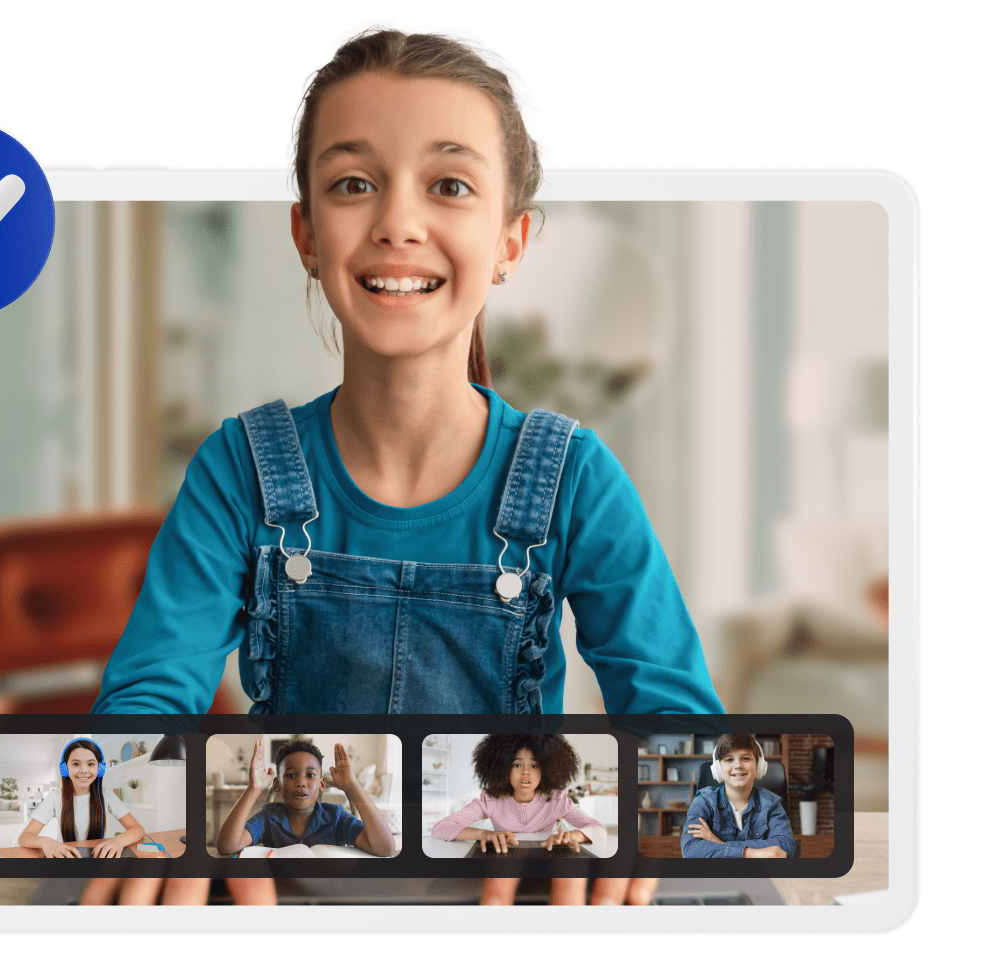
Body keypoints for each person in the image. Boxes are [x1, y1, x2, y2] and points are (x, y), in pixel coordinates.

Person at [92, 19, 723, 904]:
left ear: (509, 242)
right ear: (307, 235)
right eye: (354, 183)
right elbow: (143, 709)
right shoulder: (239, 469)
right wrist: (176, 806)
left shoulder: (576, 477)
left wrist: (607, 811)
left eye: (450, 185)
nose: (397, 221)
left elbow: (684, 733)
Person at [431, 735, 606, 905]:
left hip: (546, 861)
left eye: (534, 765)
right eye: (517, 764)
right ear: (504, 769)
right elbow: (441, 827)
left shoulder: (556, 799)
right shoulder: (491, 799)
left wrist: (573, 836)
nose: (525, 772)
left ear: (546, 770)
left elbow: (598, 829)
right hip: (504, 860)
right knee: (496, 897)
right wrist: (482, 833)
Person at [217, 739, 395, 858]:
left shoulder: (336, 817)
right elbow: (227, 846)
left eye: (310, 775)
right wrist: (253, 789)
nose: (301, 782)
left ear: (322, 783)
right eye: (291, 775)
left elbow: (385, 848)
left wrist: (353, 786)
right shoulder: (268, 817)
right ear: (277, 784)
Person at [18, 739, 145, 859]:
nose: (84, 770)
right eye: (76, 764)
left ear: (99, 769)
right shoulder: (55, 797)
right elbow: (24, 837)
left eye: (90, 764)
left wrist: (118, 841)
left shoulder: (107, 795)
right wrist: (46, 842)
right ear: (65, 769)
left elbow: (137, 829)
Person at [682, 734, 795, 859]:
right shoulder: (704, 800)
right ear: (718, 769)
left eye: (745, 758)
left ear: (759, 765)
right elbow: (690, 849)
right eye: (729, 759)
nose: (738, 766)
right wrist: (749, 853)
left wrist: (720, 843)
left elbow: (786, 846)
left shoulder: (771, 803)